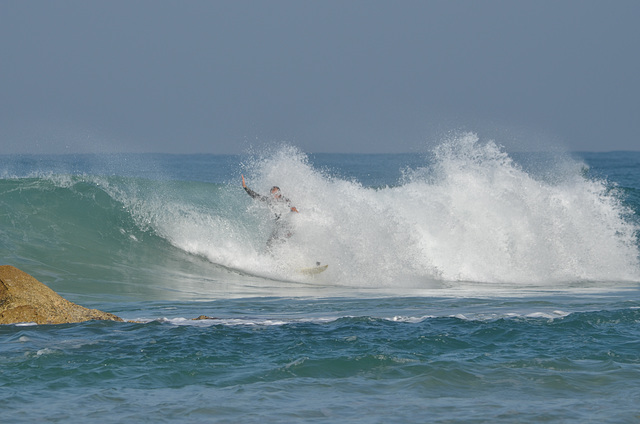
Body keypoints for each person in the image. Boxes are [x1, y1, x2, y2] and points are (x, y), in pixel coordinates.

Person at [242, 174, 298, 248]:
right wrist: (245, 187)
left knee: (285, 236)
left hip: (286, 224)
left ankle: (283, 245)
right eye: (272, 192)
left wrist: (293, 209)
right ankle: (268, 256)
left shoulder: (285, 200)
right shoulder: (269, 200)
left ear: (279, 193)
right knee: (269, 243)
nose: (273, 194)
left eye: (275, 192)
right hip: (278, 225)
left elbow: (293, 208)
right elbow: (256, 196)